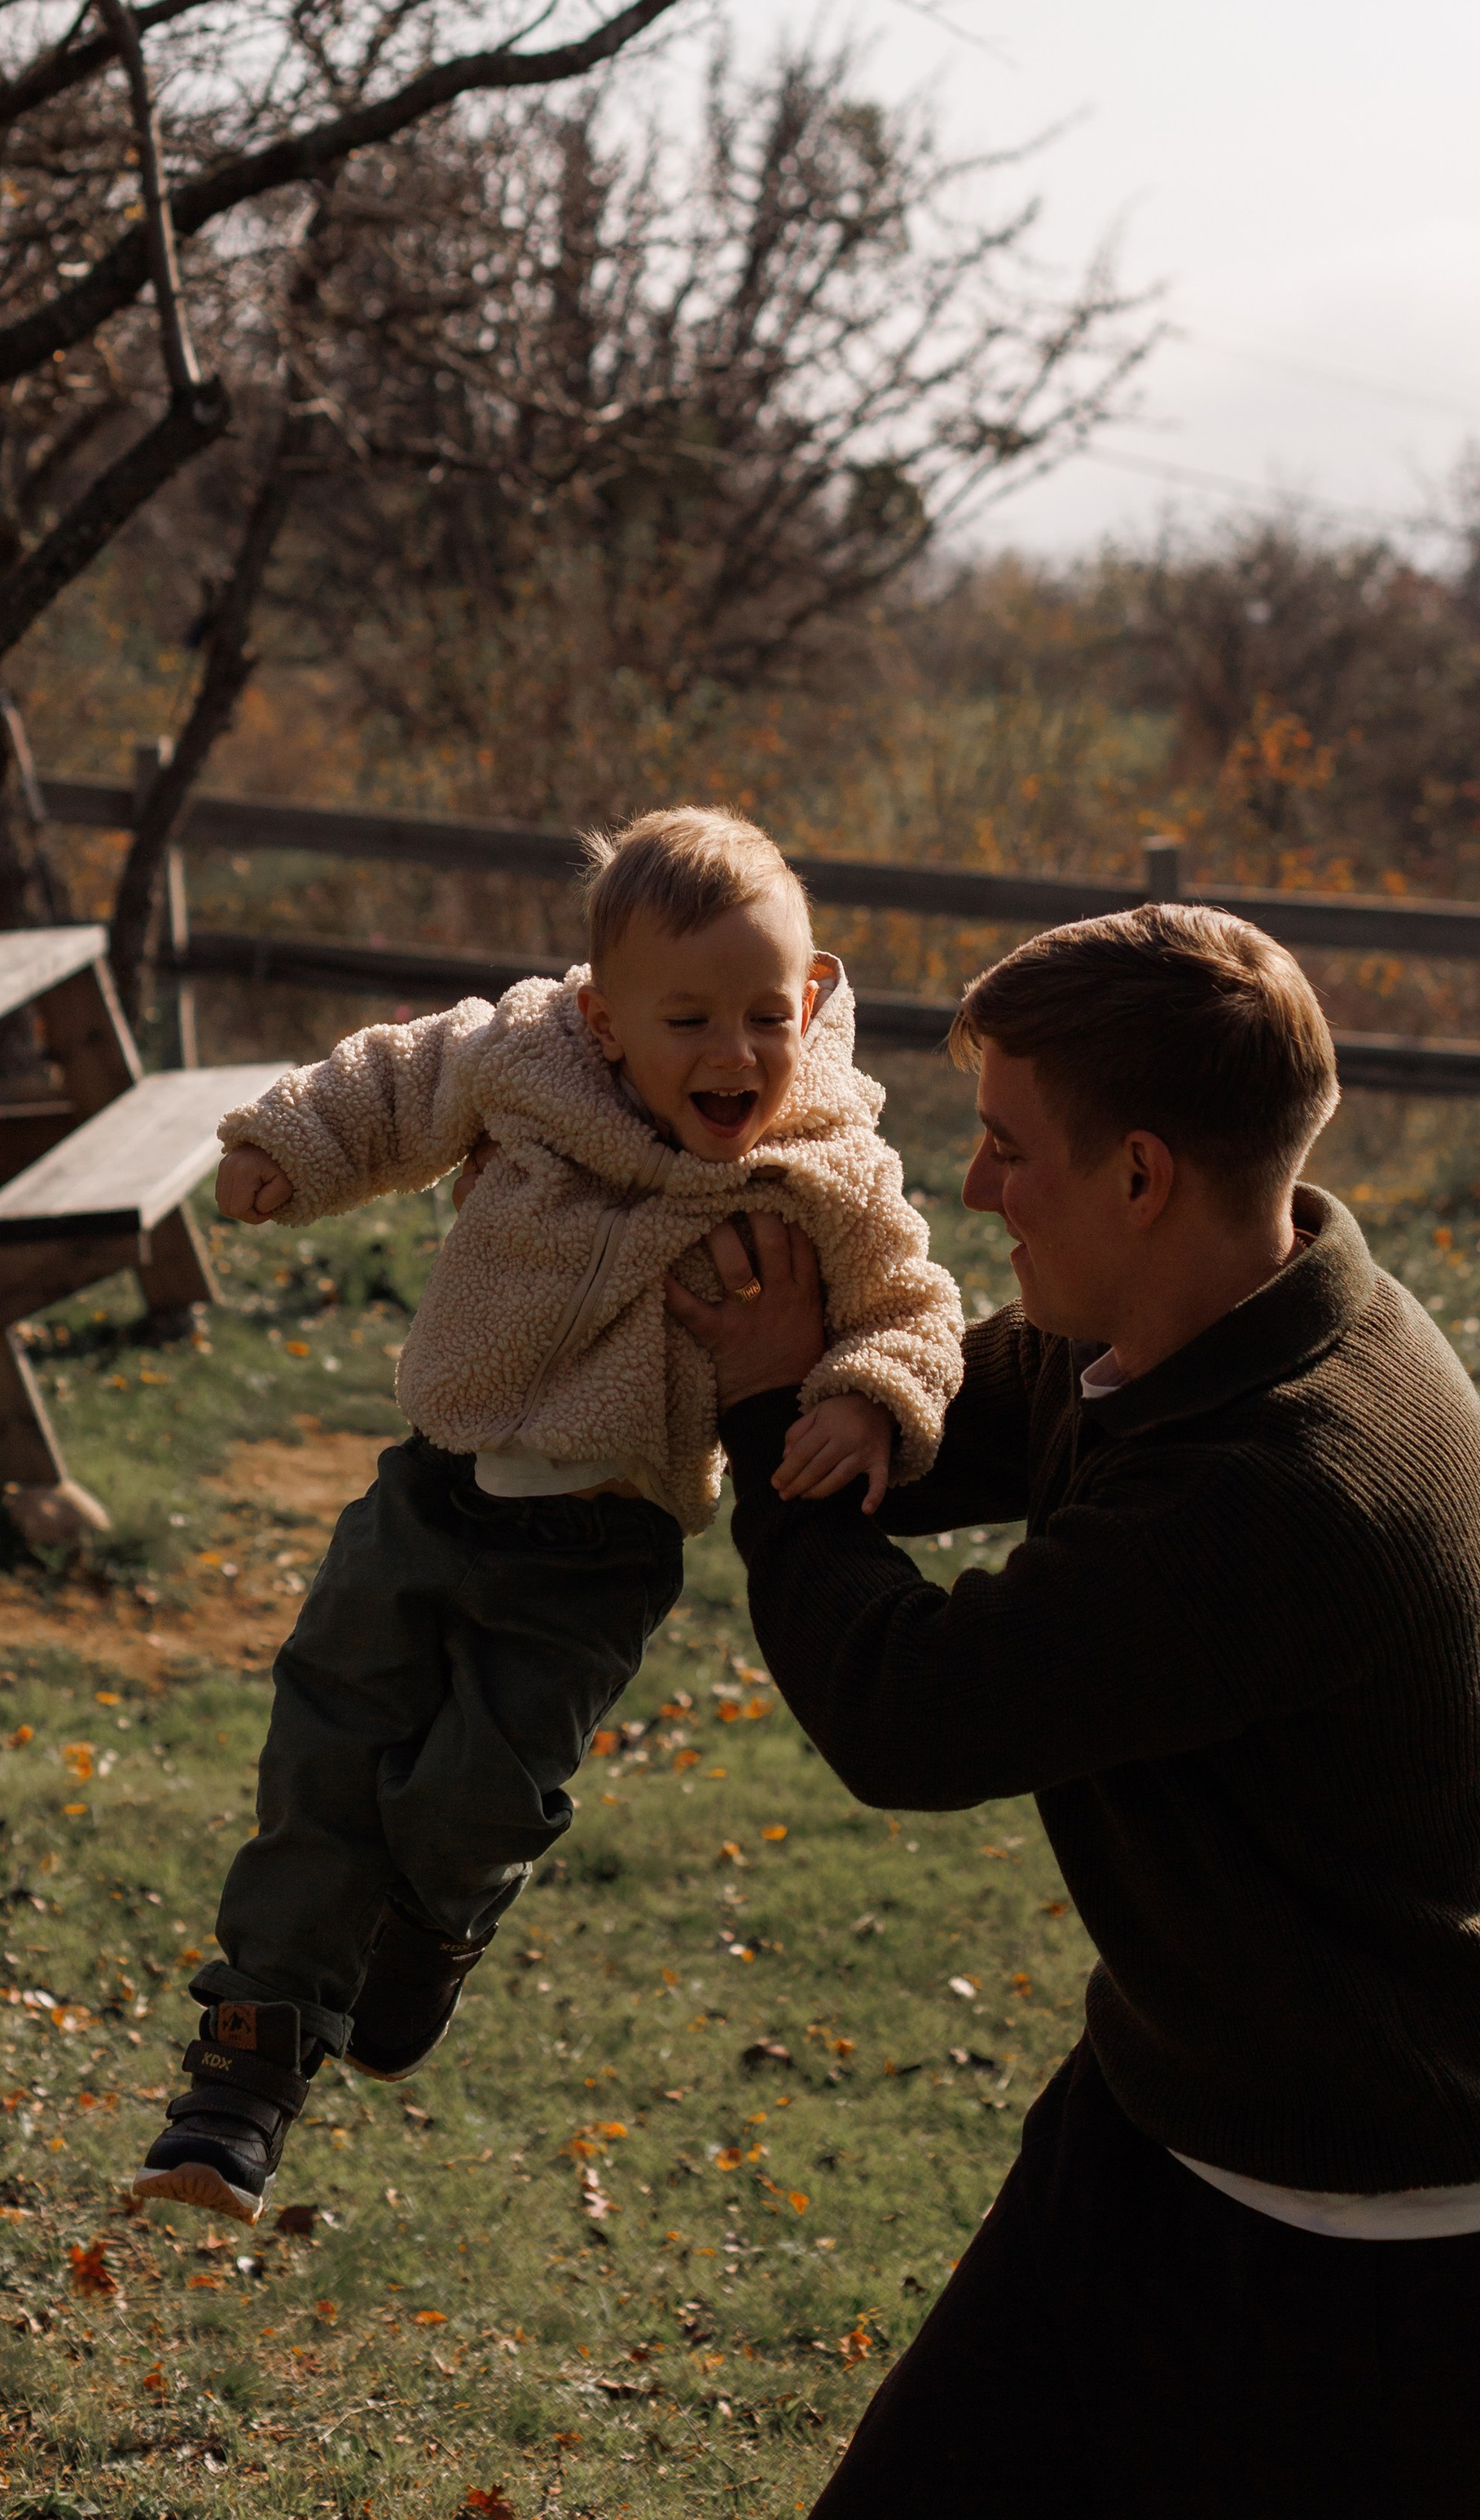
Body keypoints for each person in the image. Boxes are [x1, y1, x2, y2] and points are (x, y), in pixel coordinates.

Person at [668, 903, 1480, 2520]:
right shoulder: (1181, 1325)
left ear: (1140, 1175)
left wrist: (780, 1400)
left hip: (1400, 2248)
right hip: (1175, 2124)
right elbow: (929, 1428)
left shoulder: (1281, 1483)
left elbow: (917, 1712)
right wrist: (809, 1365)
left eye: (1004, 1146)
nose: (972, 1189)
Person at [130, 806, 962, 2224]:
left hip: (595, 1551)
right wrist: (296, 1143)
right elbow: (391, 1081)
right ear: (603, 1015)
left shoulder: (822, 1159)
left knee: (469, 1800)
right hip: (433, 1494)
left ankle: (433, 1923)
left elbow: (915, 1299)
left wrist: (873, 1393)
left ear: (813, 995)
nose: (733, 1054)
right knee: (327, 1755)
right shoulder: (525, 1053)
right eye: (688, 1016)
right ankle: (238, 2083)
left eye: (765, 1014)